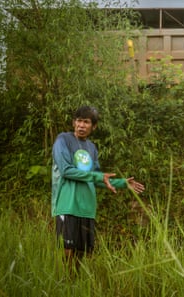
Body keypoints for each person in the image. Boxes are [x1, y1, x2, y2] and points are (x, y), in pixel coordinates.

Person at [51, 106, 144, 273]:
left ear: (93, 126)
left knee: (81, 252)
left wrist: (123, 183)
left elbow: (99, 178)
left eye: (86, 122)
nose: (81, 125)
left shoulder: (92, 148)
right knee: (67, 250)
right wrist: (98, 177)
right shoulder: (63, 140)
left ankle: (74, 285)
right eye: (78, 121)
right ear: (74, 122)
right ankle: (63, 284)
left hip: (87, 207)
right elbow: (66, 170)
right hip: (68, 203)